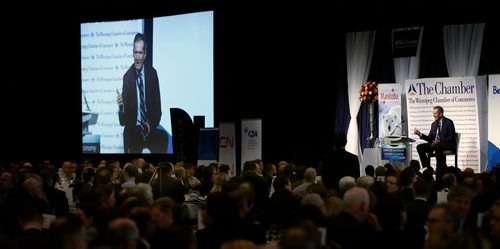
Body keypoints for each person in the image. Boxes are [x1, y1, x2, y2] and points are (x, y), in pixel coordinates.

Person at [117, 33, 168, 153]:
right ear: (132, 52)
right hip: (134, 129)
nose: (137, 57)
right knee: (129, 136)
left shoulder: (152, 74)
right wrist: (121, 107)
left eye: (140, 53)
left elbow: (157, 109)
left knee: (163, 137)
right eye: (136, 52)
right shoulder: (127, 77)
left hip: (149, 126)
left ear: (145, 54)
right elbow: (123, 121)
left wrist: (150, 124)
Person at [413, 106, 456, 172]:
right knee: (420, 147)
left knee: (437, 146)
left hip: (447, 144)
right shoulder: (433, 124)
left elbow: (451, 137)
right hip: (435, 144)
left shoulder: (448, 122)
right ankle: (427, 168)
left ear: (440, 114)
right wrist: (419, 134)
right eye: (433, 113)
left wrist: (439, 141)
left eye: (435, 113)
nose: (433, 115)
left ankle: (440, 168)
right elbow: (430, 138)